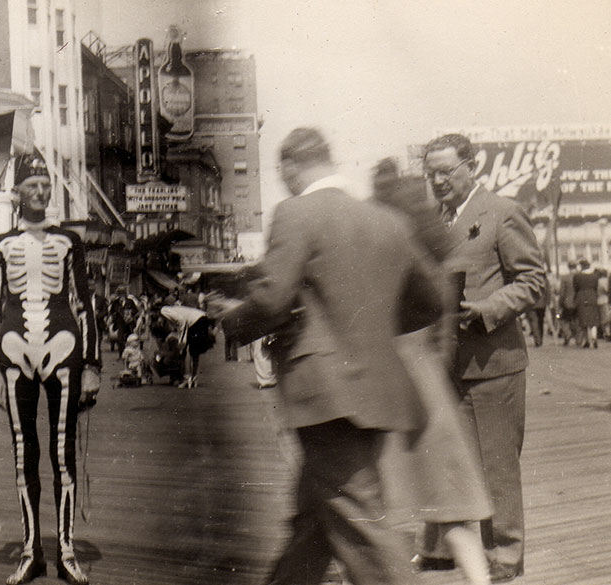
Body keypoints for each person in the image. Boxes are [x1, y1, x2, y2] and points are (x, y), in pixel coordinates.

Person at [208, 127, 443, 585]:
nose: (284, 181)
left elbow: (273, 298)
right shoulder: (387, 220)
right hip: (378, 390)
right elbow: (431, 300)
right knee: (315, 521)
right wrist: (369, 330)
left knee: (361, 524)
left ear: (291, 165)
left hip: (324, 393)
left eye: (283, 172)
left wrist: (231, 320)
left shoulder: (297, 212)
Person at [418, 133, 546, 583]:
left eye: (446, 172)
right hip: (444, 364)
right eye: (430, 173)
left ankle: (505, 557)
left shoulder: (503, 213)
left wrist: (487, 309)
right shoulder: (434, 221)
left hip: (493, 363)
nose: (437, 181)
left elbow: (534, 281)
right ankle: (436, 549)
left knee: (496, 466)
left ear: (472, 166)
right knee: (445, 460)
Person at [372, 157, 493, 585]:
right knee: (452, 497)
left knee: (379, 501)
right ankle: (480, 581)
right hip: (425, 377)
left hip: (387, 380)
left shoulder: (387, 251)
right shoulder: (435, 252)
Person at [0, 153, 101, 585]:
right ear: (16, 194)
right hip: (15, 351)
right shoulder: (0, 246)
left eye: (45, 185)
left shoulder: (69, 242)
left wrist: (91, 364)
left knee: (62, 452)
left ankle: (66, 549)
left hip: (62, 347)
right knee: (23, 451)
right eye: (31, 185)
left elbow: (84, 303)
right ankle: (32, 550)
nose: (40, 192)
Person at [573, 259, 600, 348]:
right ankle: (594, 337)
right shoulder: (595, 276)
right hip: (592, 297)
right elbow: (596, 287)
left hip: (581, 298)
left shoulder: (577, 276)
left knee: (583, 320)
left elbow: (575, 288)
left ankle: (586, 340)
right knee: (593, 320)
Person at [559, 260, 578, 345]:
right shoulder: (579, 276)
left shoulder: (565, 277)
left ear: (568, 267)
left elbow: (562, 292)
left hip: (567, 302)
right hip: (577, 302)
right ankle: (578, 338)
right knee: (576, 320)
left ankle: (568, 334)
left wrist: (560, 302)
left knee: (564, 320)